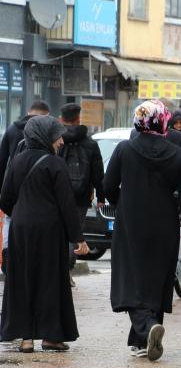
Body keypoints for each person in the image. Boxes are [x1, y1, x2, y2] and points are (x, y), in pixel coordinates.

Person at [104, 101, 181, 361]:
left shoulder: (124, 150)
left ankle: (145, 327)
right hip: (164, 223)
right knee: (155, 278)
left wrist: (123, 201)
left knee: (130, 279)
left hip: (131, 221)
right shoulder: (177, 154)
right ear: (163, 121)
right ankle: (142, 340)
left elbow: (108, 186)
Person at [0, 116, 89, 353]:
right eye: (56, 136)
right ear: (44, 136)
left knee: (22, 279)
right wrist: (77, 238)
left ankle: (26, 339)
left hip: (21, 228)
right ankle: (50, 337)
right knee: (49, 280)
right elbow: (66, 205)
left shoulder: (16, 162)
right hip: (50, 230)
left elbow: (5, 198)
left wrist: (21, 213)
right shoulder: (54, 164)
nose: (60, 141)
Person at [1, 101, 50, 270]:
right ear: (45, 115)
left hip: (12, 180)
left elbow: (2, 161)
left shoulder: (12, 130)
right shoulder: (45, 131)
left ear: (29, 111)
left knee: (9, 219)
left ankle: (7, 256)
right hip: (37, 183)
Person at [58, 103, 105, 269]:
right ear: (79, 118)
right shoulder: (90, 143)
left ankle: (58, 269)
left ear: (61, 118)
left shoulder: (56, 139)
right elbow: (98, 173)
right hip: (81, 196)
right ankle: (67, 271)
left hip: (56, 195)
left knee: (57, 231)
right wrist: (101, 197)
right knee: (75, 232)